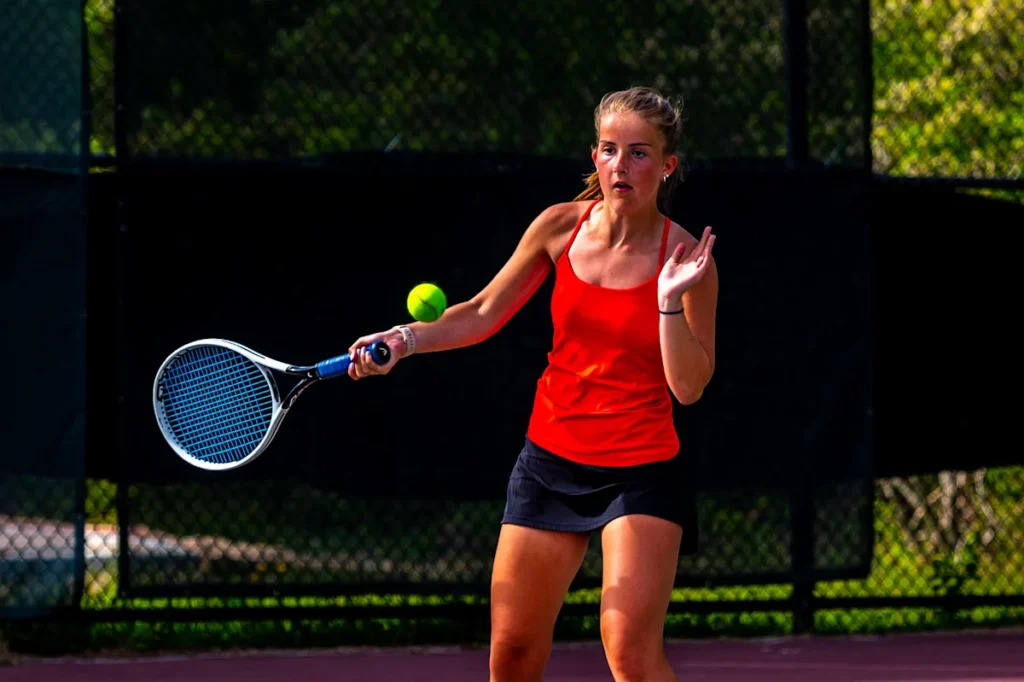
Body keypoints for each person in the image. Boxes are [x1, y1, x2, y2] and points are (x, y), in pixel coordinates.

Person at [346, 86, 718, 682]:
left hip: (641, 470)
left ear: (668, 165)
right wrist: (406, 340)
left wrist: (668, 303)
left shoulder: (686, 259)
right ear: (594, 157)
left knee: (629, 655)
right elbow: (482, 311)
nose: (621, 165)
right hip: (550, 459)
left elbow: (690, 387)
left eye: (640, 153)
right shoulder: (558, 228)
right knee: (513, 654)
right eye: (609, 150)